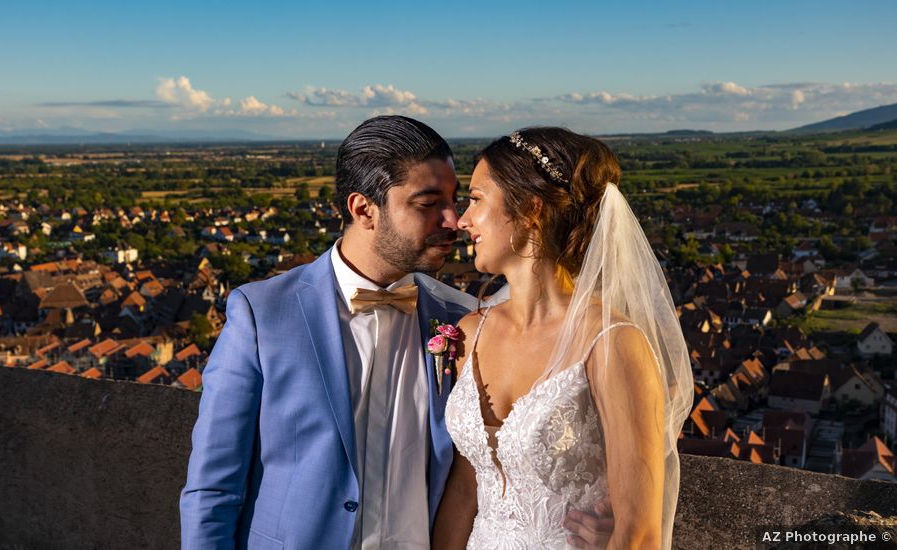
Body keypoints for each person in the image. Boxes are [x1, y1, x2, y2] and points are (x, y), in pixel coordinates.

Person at [180, 115, 475, 549]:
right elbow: (213, 488)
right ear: (363, 210)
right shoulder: (261, 315)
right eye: (428, 202)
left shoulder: (463, 320)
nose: (454, 219)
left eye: (454, 199)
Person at [435, 128, 694, 549]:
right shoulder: (470, 333)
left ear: (530, 209)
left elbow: (640, 533)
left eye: (476, 199)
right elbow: (466, 489)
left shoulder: (612, 344)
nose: (463, 220)